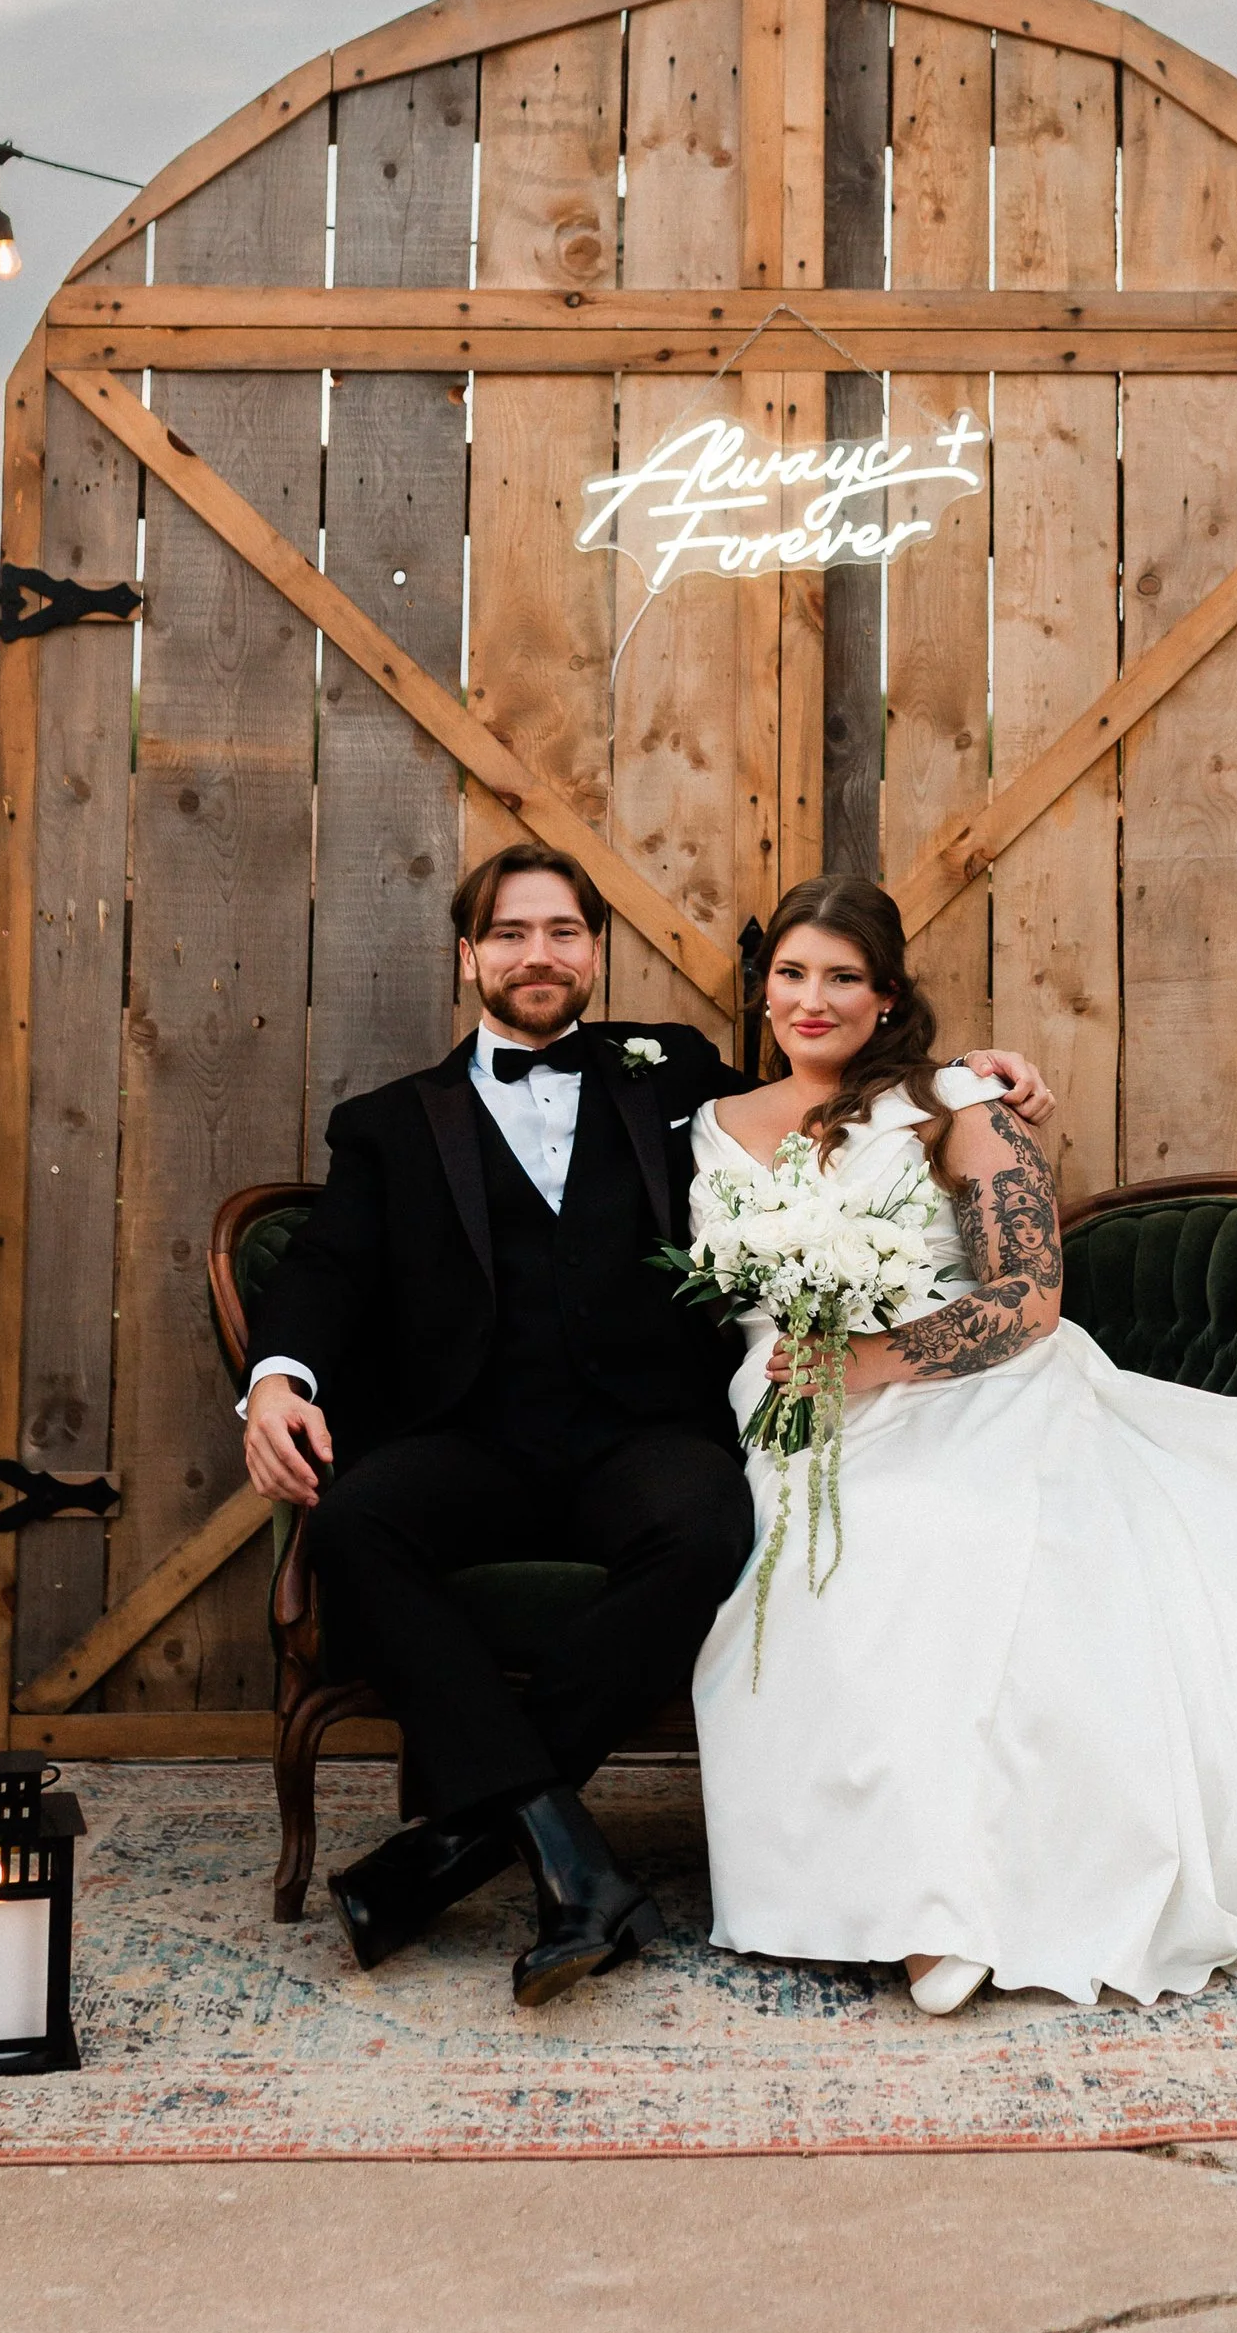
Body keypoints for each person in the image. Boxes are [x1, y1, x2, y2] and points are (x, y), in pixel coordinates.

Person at [240, 841, 1054, 2009]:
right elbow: (323, 1268)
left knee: (706, 1527)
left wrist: (974, 1074)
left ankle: (456, 1841)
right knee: (358, 1521)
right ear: (469, 955)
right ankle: (565, 1852)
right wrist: (277, 1377)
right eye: (511, 934)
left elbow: (843, 1077)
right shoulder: (386, 1122)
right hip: (473, 1435)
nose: (538, 955)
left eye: (562, 933)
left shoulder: (670, 1072)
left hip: (642, 1435)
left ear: (593, 951)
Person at [689, 874, 1237, 2013]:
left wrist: (873, 1358)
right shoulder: (709, 1124)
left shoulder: (960, 1104)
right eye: (792, 975)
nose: (813, 1000)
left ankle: (961, 1900)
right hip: (790, 1403)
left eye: (843, 977)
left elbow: (1028, 1297)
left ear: (887, 993)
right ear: (764, 989)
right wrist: (821, 1371)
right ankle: (886, 1884)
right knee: (811, 1560)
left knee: (942, 1535)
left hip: (977, 1383)